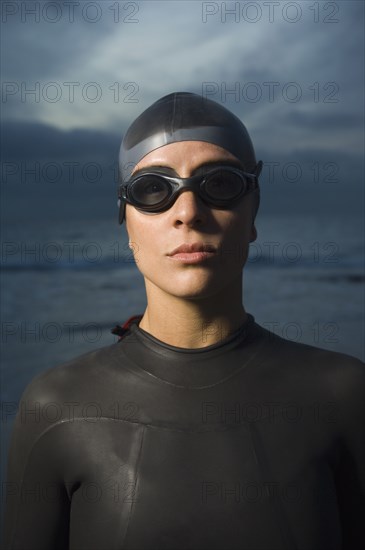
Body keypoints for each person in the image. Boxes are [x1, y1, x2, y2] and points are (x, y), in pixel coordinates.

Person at [3, 92, 364, 550]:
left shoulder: (344, 394)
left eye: (220, 184)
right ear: (126, 222)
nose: (188, 213)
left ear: (253, 211)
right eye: (153, 189)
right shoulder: (55, 406)